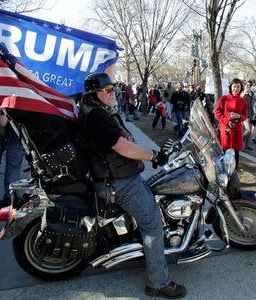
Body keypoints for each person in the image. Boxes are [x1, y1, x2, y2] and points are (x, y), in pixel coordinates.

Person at [78, 72, 186, 299]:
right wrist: (153, 156)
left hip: (120, 177)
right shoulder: (96, 115)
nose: (112, 93)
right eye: (108, 90)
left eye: (112, 89)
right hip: (118, 183)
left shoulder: (96, 111)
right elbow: (121, 146)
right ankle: (158, 282)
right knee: (152, 221)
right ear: (95, 94)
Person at [214, 78, 248, 170]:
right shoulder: (224, 99)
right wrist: (226, 120)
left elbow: (245, 115)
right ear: (230, 87)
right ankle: (223, 171)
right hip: (226, 129)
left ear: (241, 88)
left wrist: (239, 116)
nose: (236, 89)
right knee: (225, 150)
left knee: (236, 151)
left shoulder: (243, 101)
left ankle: (235, 170)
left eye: (238, 87)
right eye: (234, 87)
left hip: (237, 129)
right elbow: (217, 112)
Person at [0, 113, 25, 208]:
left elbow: (2, 121)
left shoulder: (11, 99)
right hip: (35, 136)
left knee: (12, 169)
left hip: (17, 137)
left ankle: (10, 199)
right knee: (37, 168)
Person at [242, 81, 254, 150]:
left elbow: (252, 102)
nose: (248, 86)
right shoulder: (242, 94)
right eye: (247, 85)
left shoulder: (251, 93)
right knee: (248, 130)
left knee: (249, 132)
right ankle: (240, 142)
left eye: (249, 85)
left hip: (251, 113)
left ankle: (246, 146)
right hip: (244, 114)